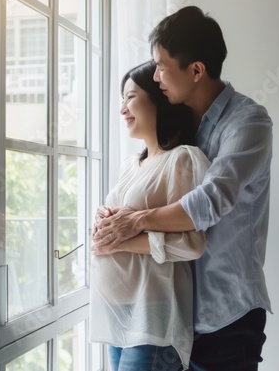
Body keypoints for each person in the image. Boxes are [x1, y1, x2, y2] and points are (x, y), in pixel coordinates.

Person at [93, 6, 273, 371]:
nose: (156, 75)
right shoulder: (179, 131)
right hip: (174, 316)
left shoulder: (248, 123)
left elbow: (209, 203)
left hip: (226, 316)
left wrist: (134, 221)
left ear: (196, 70)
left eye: (162, 65)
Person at [89, 60, 211, 371]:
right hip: (117, 313)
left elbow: (192, 244)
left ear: (158, 98)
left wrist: (119, 241)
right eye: (121, 100)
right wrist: (105, 219)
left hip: (153, 317)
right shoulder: (131, 164)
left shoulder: (182, 159)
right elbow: (122, 222)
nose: (123, 109)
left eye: (130, 97)